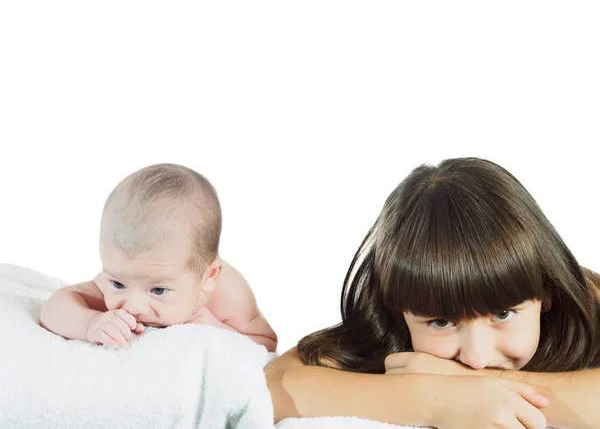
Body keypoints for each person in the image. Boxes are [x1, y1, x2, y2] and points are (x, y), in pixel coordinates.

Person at [266, 157, 600, 429]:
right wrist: (435, 398)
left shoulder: (590, 301)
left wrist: (469, 382)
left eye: (502, 314)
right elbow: (274, 387)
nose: (476, 357)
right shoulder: (385, 335)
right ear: (398, 312)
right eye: (441, 322)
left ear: (546, 295)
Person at [40, 163, 278, 352]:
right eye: (118, 284)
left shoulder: (228, 295)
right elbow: (54, 307)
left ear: (209, 276)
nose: (133, 306)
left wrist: (220, 330)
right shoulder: (128, 276)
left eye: (158, 290)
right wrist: (90, 324)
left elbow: (267, 344)